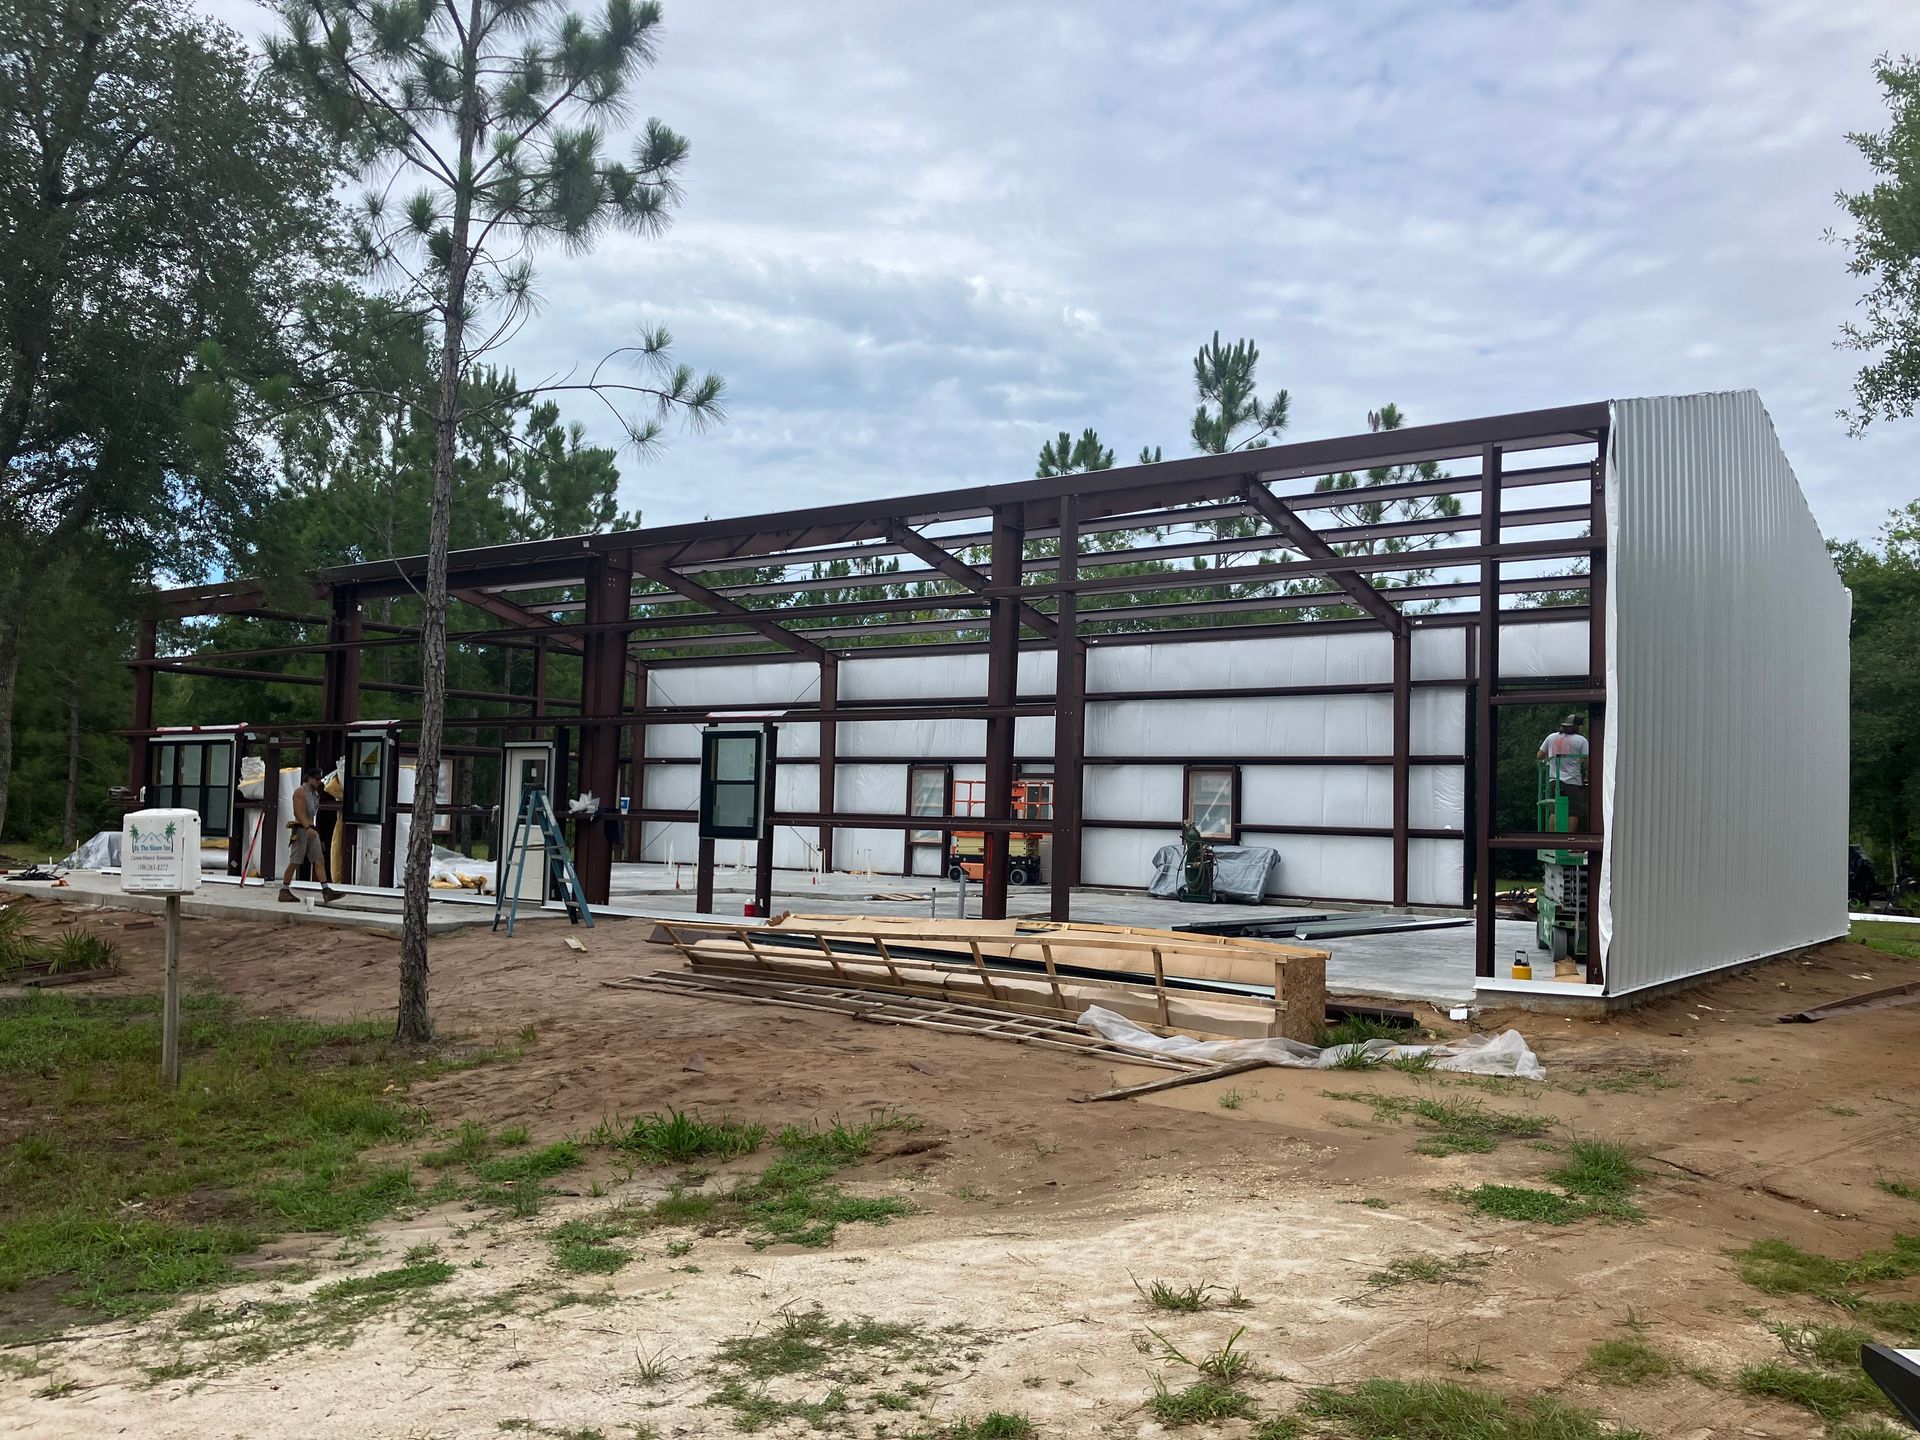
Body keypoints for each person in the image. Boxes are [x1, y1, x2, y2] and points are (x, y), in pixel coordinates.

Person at [279, 771, 341, 904]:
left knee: (319, 860)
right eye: (316, 779)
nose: (318, 782)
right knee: (295, 860)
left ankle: (326, 891)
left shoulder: (314, 794)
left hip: (311, 829)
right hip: (301, 829)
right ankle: (284, 890)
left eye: (320, 779)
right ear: (309, 778)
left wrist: (311, 828)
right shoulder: (300, 792)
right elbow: (298, 811)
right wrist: (307, 827)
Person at [1538, 714, 1588, 829]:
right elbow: (1587, 760)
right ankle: (1569, 841)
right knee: (1573, 812)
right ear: (1576, 727)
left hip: (1554, 779)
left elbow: (1540, 755)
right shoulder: (1581, 740)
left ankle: (1553, 840)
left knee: (1554, 810)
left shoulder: (1551, 737)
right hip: (1572, 780)